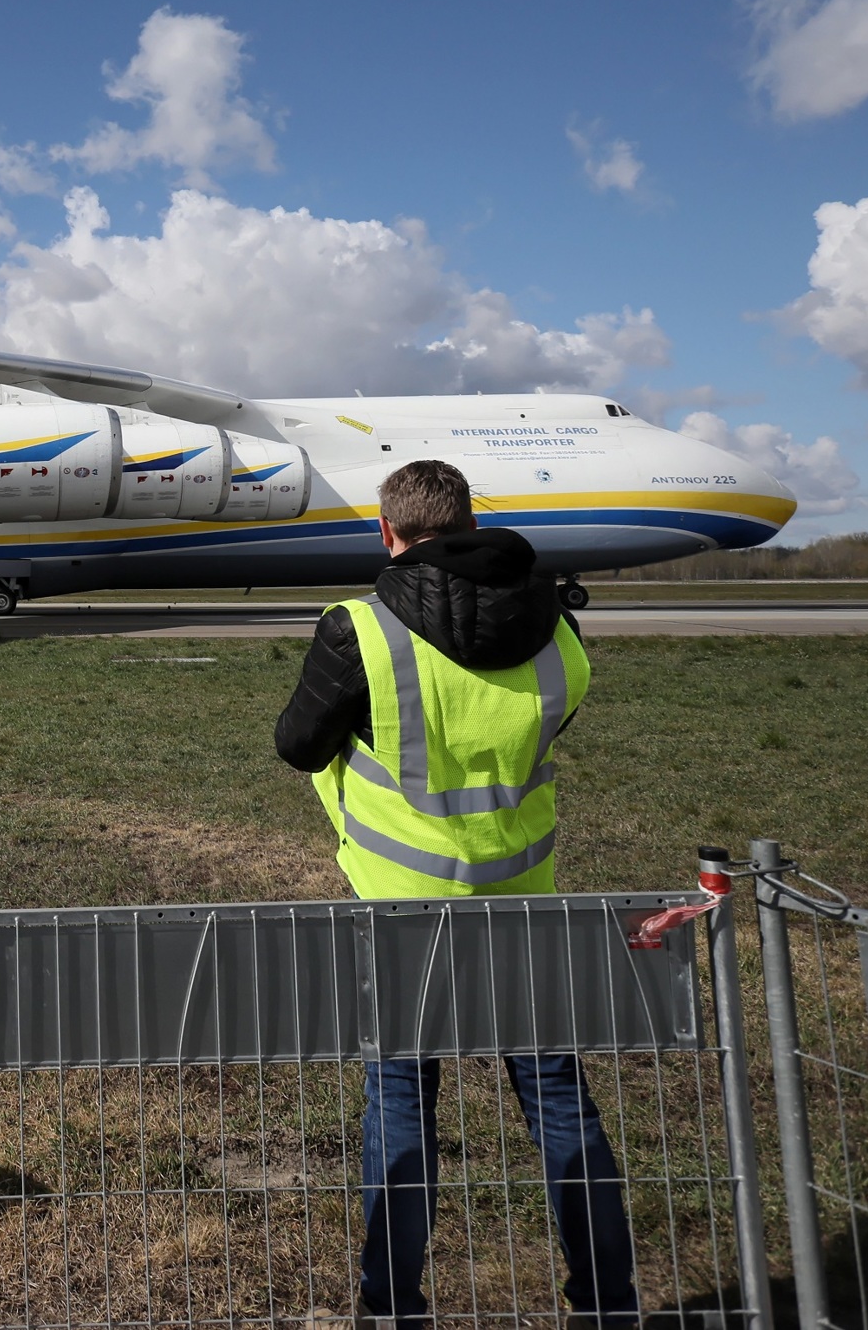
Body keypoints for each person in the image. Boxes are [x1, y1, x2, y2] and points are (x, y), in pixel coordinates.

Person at [274, 460, 638, 1329]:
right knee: (560, 1104)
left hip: (398, 913)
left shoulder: (358, 628)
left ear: (389, 533)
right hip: (524, 904)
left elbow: (297, 744)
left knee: (399, 1104)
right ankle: (608, 1304)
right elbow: (552, 718)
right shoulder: (558, 626)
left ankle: (393, 1307)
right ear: (471, 521)